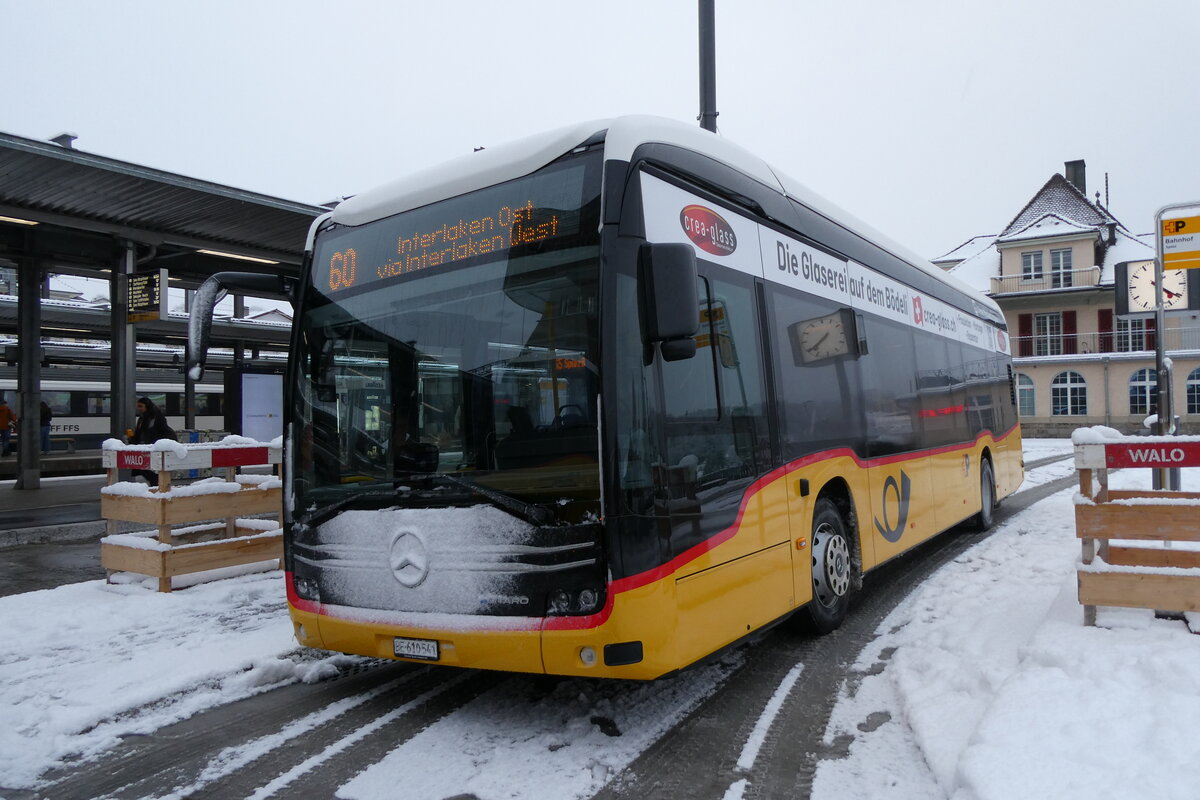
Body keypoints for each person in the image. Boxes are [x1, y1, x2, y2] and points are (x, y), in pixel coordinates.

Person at [129, 397, 174, 487]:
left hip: (154, 447)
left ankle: (158, 486)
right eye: (138, 406)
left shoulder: (155, 417)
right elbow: (140, 433)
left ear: (147, 406)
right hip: (147, 447)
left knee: (150, 468)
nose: (138, 408)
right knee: (144, 468)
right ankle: (157, 485)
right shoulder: (142, 419)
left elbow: (155, 431)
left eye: (140, 406)